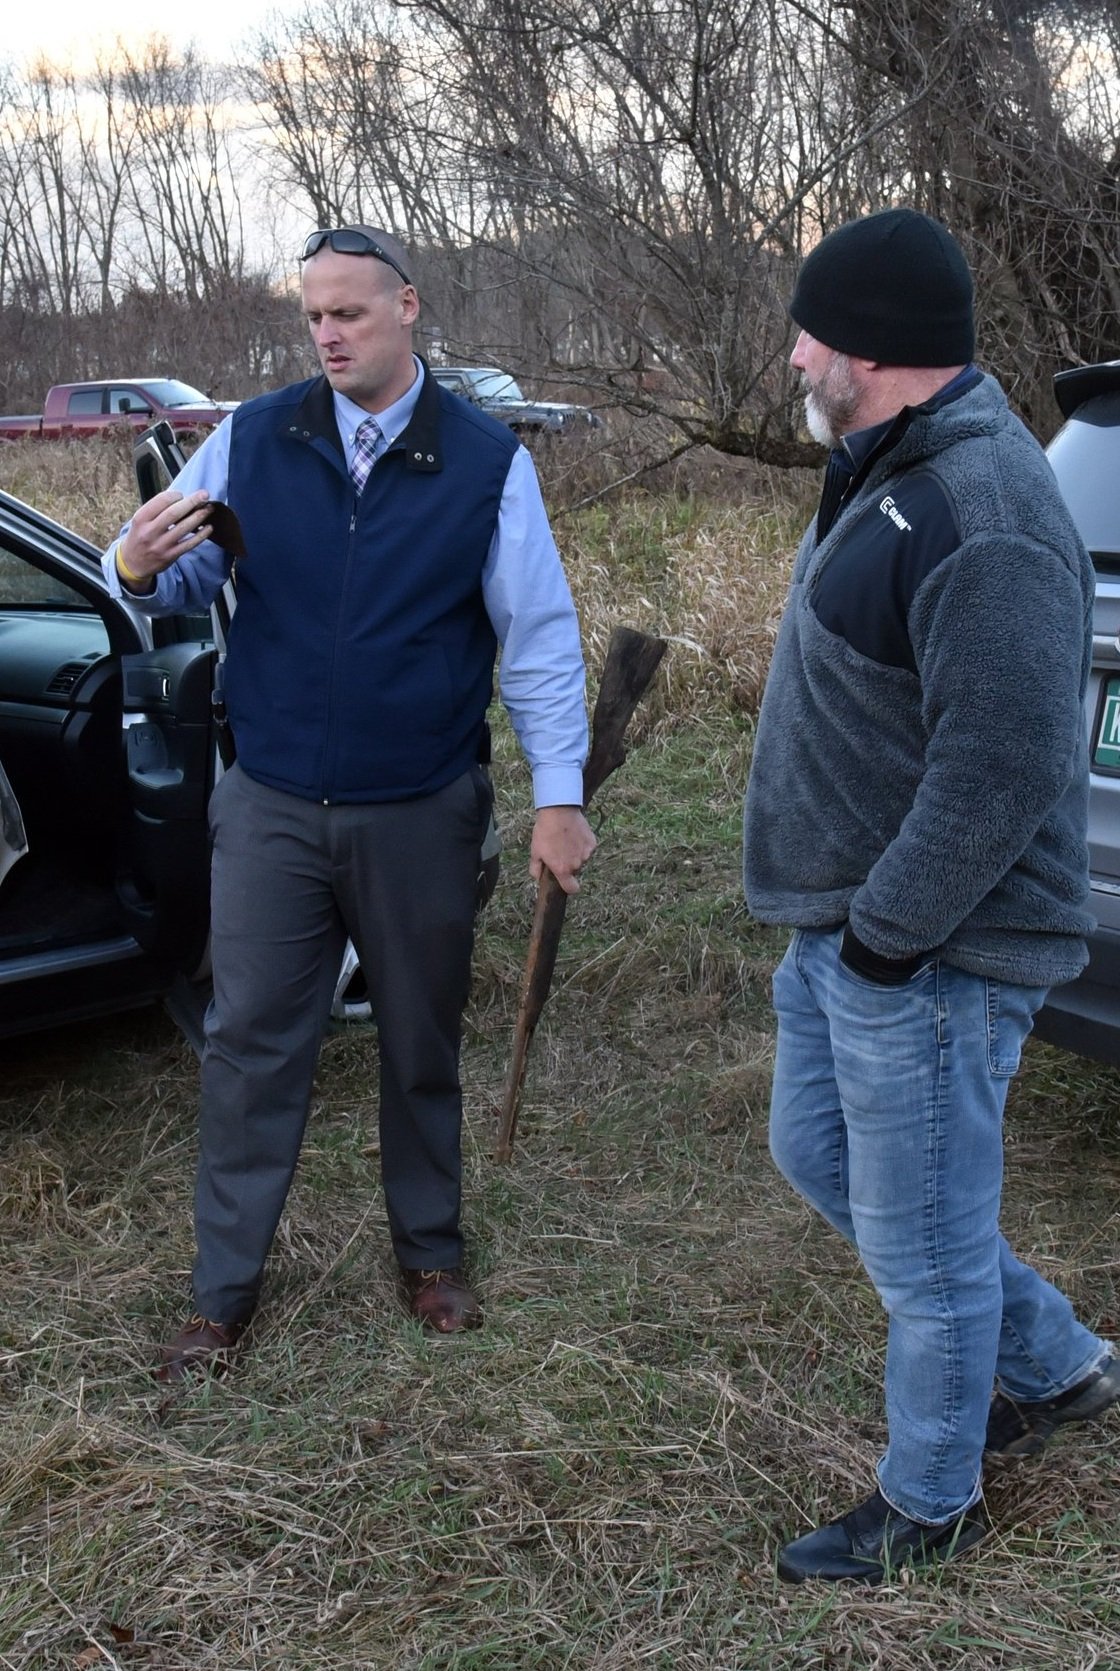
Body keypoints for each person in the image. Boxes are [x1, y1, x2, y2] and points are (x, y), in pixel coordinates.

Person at [103, 225, 596, 1380]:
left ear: (408, 307)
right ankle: (222, 1294)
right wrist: (131, 564)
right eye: (314, 315)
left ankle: (428, 1253)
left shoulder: (482, 461)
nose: (327, 334)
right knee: (249, 1046)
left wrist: (557, 797)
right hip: (270, 804)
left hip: (420, 805)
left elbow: (537, 641)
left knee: (420, 1039)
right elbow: (179, 571)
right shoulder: (250, 441)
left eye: (350, 313)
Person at [743, 207, 1119, 1585]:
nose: (794, 354)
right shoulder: (885, 458)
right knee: (820, 1156)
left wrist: (892, 940)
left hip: (932, 951)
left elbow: (1011, 761)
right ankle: (1062, 1362)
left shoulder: (990, 509)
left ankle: (932, 1495)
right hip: (849, 929)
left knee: (927, 1253)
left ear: (878, 350)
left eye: (812, 332)